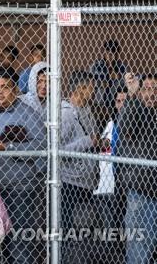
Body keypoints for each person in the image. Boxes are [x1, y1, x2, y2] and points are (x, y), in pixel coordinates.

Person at [0, 67, 47, 264]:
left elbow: (41, 146)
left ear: (15, 90)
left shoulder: (27, 114)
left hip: (20, 189)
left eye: (5, 87)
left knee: (19, 244)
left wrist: (8, 146)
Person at [59, 70, 106, 264]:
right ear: (81, 88)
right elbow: (57, 149)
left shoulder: (87, 111)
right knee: (70, 232)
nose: (95, 91)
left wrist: (98, 142)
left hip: (88, 181)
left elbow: (91, 139)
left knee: (86, 231)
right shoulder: (65, 114)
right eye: (92, 87)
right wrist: (87, 141)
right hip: (70, 182)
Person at [118, 74, 156, 264]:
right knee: (138, 252)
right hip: (142, 192)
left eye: (155, 90)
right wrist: (131, 95)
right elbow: (124, 127)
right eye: (147, 89)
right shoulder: (137, 110)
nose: (152, 94)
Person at [93, 85, 127, 263]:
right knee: (109, 232)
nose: (121, 104)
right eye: (118, 101)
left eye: (125, 100)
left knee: (122, 231)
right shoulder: (111, 123)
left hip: (125, 185)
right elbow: (104, 145)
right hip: (106, 186)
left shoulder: (137, 122)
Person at [90, 40, 127, 110]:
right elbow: (88, 81)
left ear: (117, 54)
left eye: (113, 53)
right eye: (107, 52)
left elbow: (126, 86)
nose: (110, 55)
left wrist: (118, 78)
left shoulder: (122, 67)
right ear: (104, 52)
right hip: (98, 104)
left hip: (116, 105)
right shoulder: (95, 66)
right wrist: (100, 83)